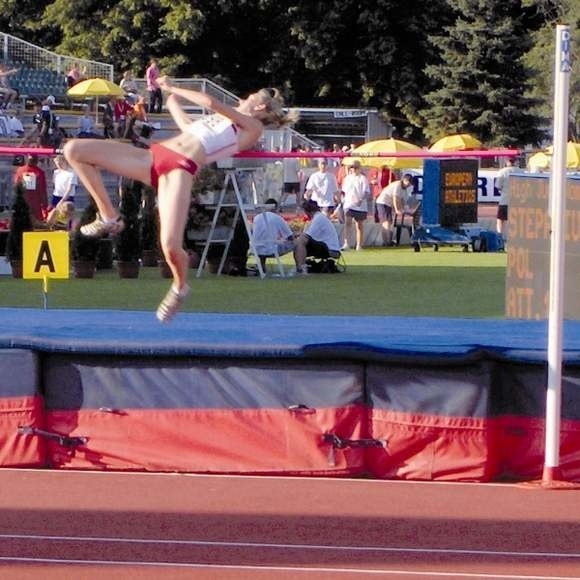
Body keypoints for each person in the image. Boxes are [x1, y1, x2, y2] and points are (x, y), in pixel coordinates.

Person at [64, 79, 298, 322]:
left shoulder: (251, 127)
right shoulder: (218, 122)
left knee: (170, 245)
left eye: (250, 96)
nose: (243, 98)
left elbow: (210, 101)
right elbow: (186, 125)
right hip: (154, 157)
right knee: (74, 150)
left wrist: (173, 87)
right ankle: (109, 215)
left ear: (260, 107)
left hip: (179, 170)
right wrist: (170, 97)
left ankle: (179, 286)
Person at [293, 199, 341, 275]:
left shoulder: (318, 218)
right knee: (298, 242)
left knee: (300, 241)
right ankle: (300, 267)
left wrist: (294, 236)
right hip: (326, 246)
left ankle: (301, 267)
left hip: (329, 248)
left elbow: (307, 236)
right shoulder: (318, 218)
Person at [252, 198, 294, 271]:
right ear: (275, 207)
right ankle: (300, 267)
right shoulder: (277, 218)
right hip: (271, 249)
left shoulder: (256, 217)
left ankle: (262, 265)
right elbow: (290, 236)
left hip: (256, 249)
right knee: (297, 243)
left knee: (264, 241)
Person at [375, 173, 414, 246]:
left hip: (388, 205)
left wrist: (406, 209)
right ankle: (386, 242)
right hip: (382, 202)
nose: (409, 185)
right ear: (404, 180)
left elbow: (403, 201)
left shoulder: (404, 190)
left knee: (389, 222)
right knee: (386, 222)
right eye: (408, 183)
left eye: (410, 184)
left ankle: (388, 241)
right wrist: (397, 210)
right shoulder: (398, 185)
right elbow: (395, 198)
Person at [341, 160, 370, 251]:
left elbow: (366, 192)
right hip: (349, 204)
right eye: (352, 167)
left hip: (360, 205)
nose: (354, 169)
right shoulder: (347, 178)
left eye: (356, 167)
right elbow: (344, 191)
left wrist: (361, 199)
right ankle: (346, 243)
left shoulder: (363, 179)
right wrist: (342, 200)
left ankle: (359, 245)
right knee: (347, 223)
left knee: (359, 225)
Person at [13, 154, 48, 226]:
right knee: (36, 224)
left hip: (23, 201)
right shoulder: (39, 172)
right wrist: (45, 205)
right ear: (37, 160)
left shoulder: (20, 170)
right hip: (35, 203)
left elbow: (16, 185)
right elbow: (42, 190)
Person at [496, 157, 517, 238]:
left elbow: (498, 186)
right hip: (518, 201)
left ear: (506, 161)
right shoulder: (521, 171)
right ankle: (515, 236)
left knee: (500, 220)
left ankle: (499, 236)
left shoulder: (502, 172)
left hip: (505, 200)